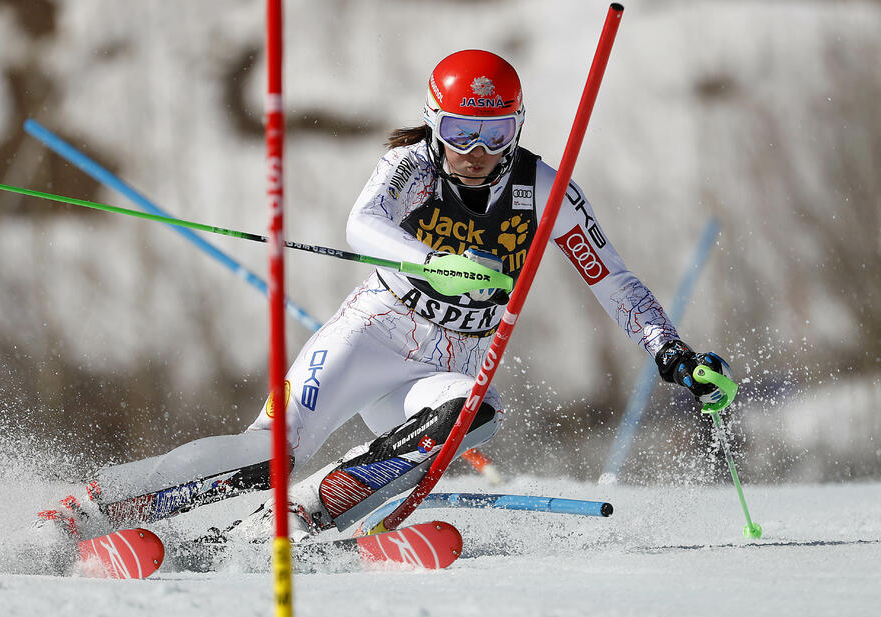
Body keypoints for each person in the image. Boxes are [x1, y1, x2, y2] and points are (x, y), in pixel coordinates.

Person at [38, 49, 732, 543]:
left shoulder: (544, 191)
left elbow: (611, 278)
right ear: (434, 122)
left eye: (496, 134)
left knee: (473, 412)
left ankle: (299, 517)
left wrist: (672, 353)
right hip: (372, 334)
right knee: (269, 453)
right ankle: (94, 509)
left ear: (517, 127)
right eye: (460, 132)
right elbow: (362, 223)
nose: (477, 151)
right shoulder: (410, 167)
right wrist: (436, 263)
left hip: (443, 366)